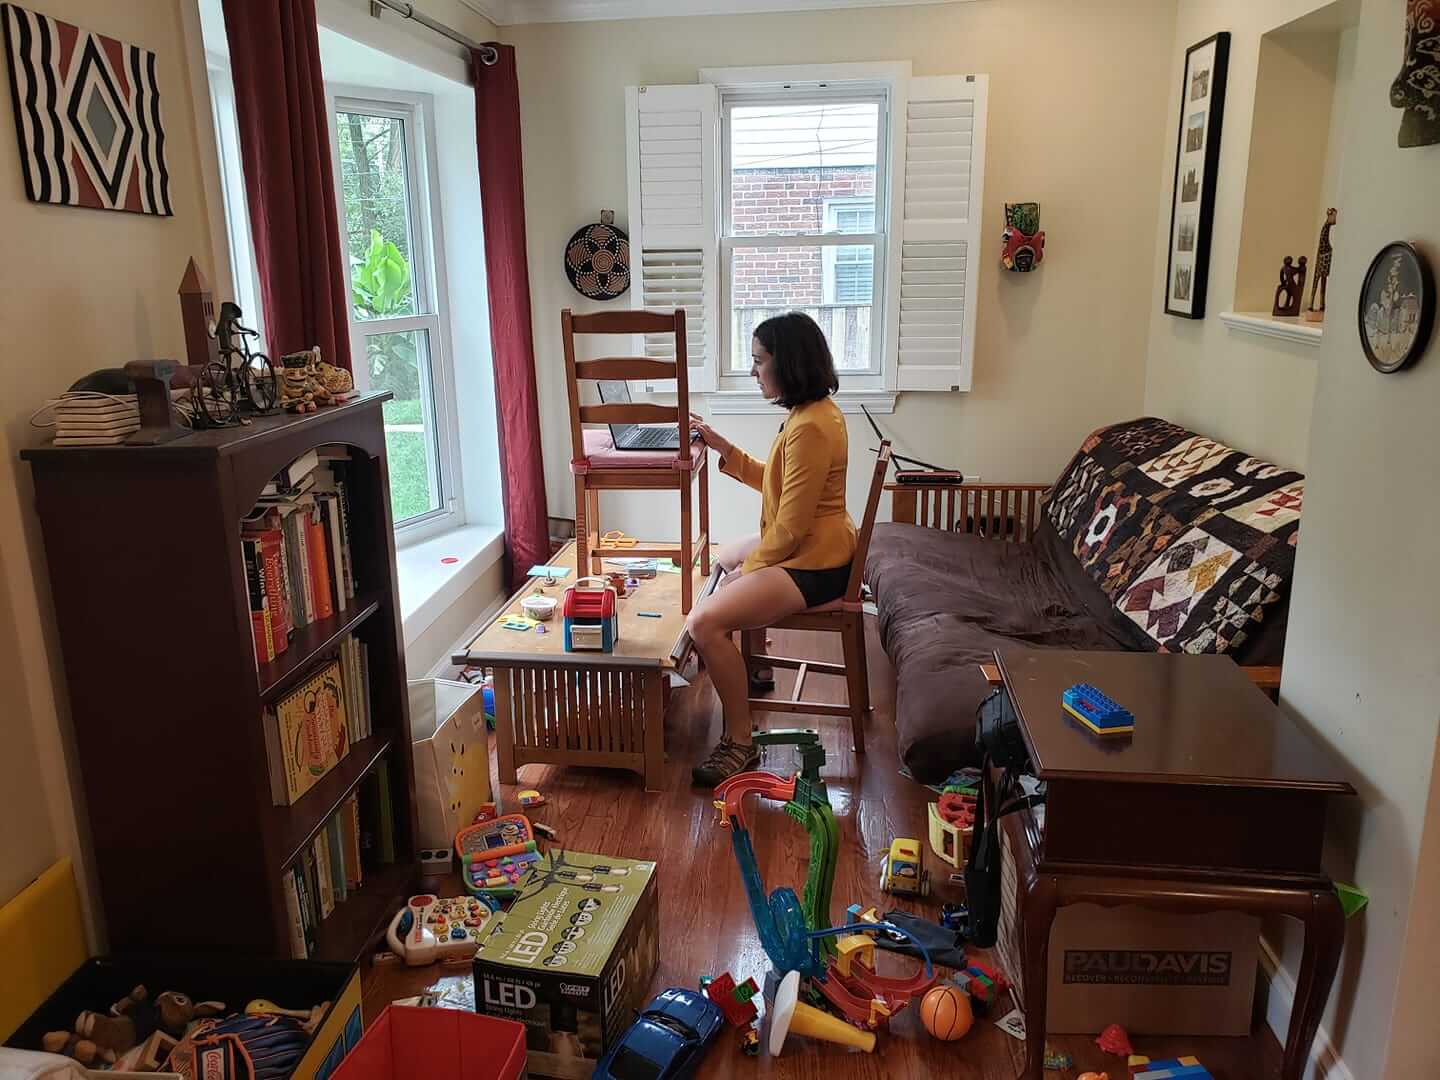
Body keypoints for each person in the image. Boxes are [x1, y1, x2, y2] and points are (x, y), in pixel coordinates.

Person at [686, 312, 856, 786]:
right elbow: (780, 487)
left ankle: (739, 742)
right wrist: (723, 447)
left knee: (705, 621)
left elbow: (790, 530)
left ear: (789, 363)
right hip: (819, 545)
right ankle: (753, 668)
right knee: (723, 557)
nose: (754, 371)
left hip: (816, 562)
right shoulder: (811, 414)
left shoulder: (810, 426)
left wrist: (751, 575)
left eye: (759, 361)